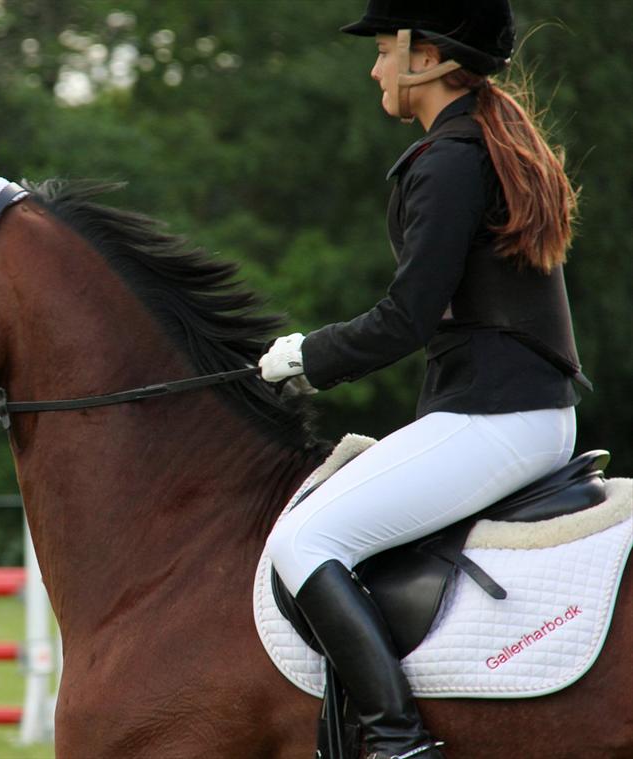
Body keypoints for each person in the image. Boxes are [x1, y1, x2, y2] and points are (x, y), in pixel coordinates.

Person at [257, 1, 588, 757]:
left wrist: (308, 357)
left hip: (494, 418)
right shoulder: (485, 143)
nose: (374, 67)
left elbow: (405, 319)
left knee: (307, 537)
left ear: (427, 57)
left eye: (382, 50)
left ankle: (399, 742)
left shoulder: (449, 159)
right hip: (522, 413)